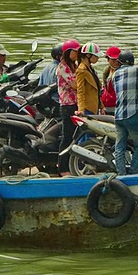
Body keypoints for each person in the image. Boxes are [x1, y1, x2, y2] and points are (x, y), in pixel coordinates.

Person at [56, 39, 81, 176]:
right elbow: (75, 84)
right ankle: (62, 167)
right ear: (68, 52)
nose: (77, 54)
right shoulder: (63, 66)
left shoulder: (74, 65)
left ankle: (73, 164)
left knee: (75, 136)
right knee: (67, 137)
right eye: (75, 51)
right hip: (67, 105)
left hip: (76, 104)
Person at [75, 42, 104, 116]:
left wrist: (101, 106)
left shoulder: (91, 69)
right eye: (96, 56)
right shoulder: (81, 70)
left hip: (95, 107)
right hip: (87, 109)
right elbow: (80, 91)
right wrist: (81, 110)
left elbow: (96, 90)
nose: (98, 58)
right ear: (88, 55)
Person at [100, 46, 121, 115]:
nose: (116, 62)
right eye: (113, 60)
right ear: (108, 59)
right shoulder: (107, 71)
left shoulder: (122, 72)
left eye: (117, 60)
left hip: (117, 105)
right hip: (106, 104)